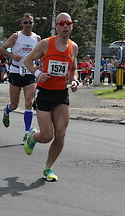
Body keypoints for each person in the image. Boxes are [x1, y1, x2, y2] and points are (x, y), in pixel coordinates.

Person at [23, 12, 79, 181]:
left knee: (60, 133)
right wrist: (38, 73)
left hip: (61, 94)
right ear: (56, 26)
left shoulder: (73, 47)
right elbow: (27, 60)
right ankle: (33, 137)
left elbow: (73, 69)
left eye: (68, 23)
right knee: (47, 136)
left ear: (72, 26)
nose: (65, 26)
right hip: (44, 93)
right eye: (61, 23)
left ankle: (48, 168)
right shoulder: (46, 44)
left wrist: (74, 81)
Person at [0, 13, 41, 144]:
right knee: (14, 104)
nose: (28, 25)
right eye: (25, 22)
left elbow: (43, 53)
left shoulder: (37, 38)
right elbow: (2, 49)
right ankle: (7, 111)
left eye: (30, 22)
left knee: (29, 102)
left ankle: (26, 133)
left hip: (30, 72)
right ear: (21, 23)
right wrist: (12, 56)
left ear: (33, 24)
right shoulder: (16, 36)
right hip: (16, 71)